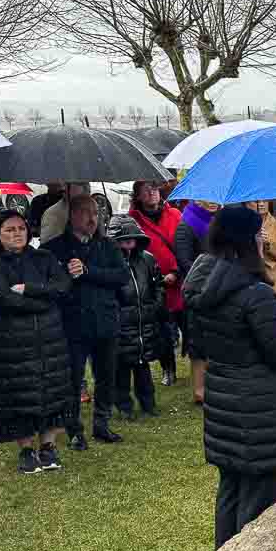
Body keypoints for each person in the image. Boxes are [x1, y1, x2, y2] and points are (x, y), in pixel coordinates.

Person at [185, 206, 276, 551]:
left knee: (231, 486)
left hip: (223, 397)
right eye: (259, 233)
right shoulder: (255, 294)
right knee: (260, 492)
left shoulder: (203, 284)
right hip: (257, 405)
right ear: (246, 240)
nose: (264, 238)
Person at [0, 209, 73, 473]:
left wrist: (30, 290)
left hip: (49, 340)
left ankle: (49, 446)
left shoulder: (44, 257)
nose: (16, 233)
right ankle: (26, 449)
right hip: (10, 344)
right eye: (9, 229)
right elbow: (0, 299)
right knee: (17, 394)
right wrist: (44, 301)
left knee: (51, 390)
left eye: (20, 228)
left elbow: (63, 286)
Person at [43, 195, 127, 450]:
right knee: (73, 380)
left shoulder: (108, 246)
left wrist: (89, 271)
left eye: (95, 212)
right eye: (85, 213)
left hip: (105, 320)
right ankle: (74, 430)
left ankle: (102, 424)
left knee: (106, 376)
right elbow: (50, 283)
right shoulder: (56, 247)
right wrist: (67, 272)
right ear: (71, 216)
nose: (92, 218)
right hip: (74, 323)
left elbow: (121, 275)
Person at [106, 216, 166, 419]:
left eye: (132, 238)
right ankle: (124, 407)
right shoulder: (109, 263)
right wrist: (117, 315)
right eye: (124, 238)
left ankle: (149, 404)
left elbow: (158, 285)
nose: (129, 241)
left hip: (144, 322)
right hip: (121, 325)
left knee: (143, 366)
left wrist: (154, 306)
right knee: (121, 368)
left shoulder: (147, 259)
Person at [129, 180, 184, 385]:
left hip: (180, 282)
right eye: (146, 190)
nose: (152, 192)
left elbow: (184, 246)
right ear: (138, 196)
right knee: (162, 329)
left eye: (154, 188)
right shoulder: (133, 221)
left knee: (188, 324)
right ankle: (168, 369)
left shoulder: (175, 215)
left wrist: (177, 272)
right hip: (153, 284)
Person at [176, 199, 216, 403]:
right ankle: (199, 390)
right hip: (196, 289)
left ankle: (213, 385)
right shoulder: (186, 225)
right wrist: (208, 277)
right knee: (197, 342)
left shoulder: (218, 222)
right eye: (207, 199)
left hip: (217, 288)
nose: (212, 203)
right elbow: (184, 261)